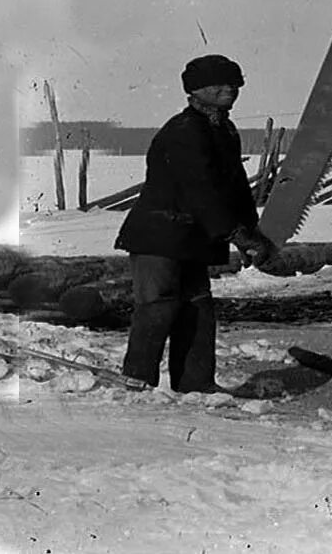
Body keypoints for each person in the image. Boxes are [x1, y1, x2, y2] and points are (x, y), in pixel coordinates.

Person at [114, 54, 277, 392]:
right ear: (195, 91)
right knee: (158, 305)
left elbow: (234, 188)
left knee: (198, 307)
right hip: (159, 235)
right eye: (217, 85)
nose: (228, 90)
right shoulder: (184, 131)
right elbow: (200, 191)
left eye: (233, 84)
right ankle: (137, 384)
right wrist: (236, 235)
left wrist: (251, 229)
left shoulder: (223, 129)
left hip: (193, 236)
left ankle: (196, 385)